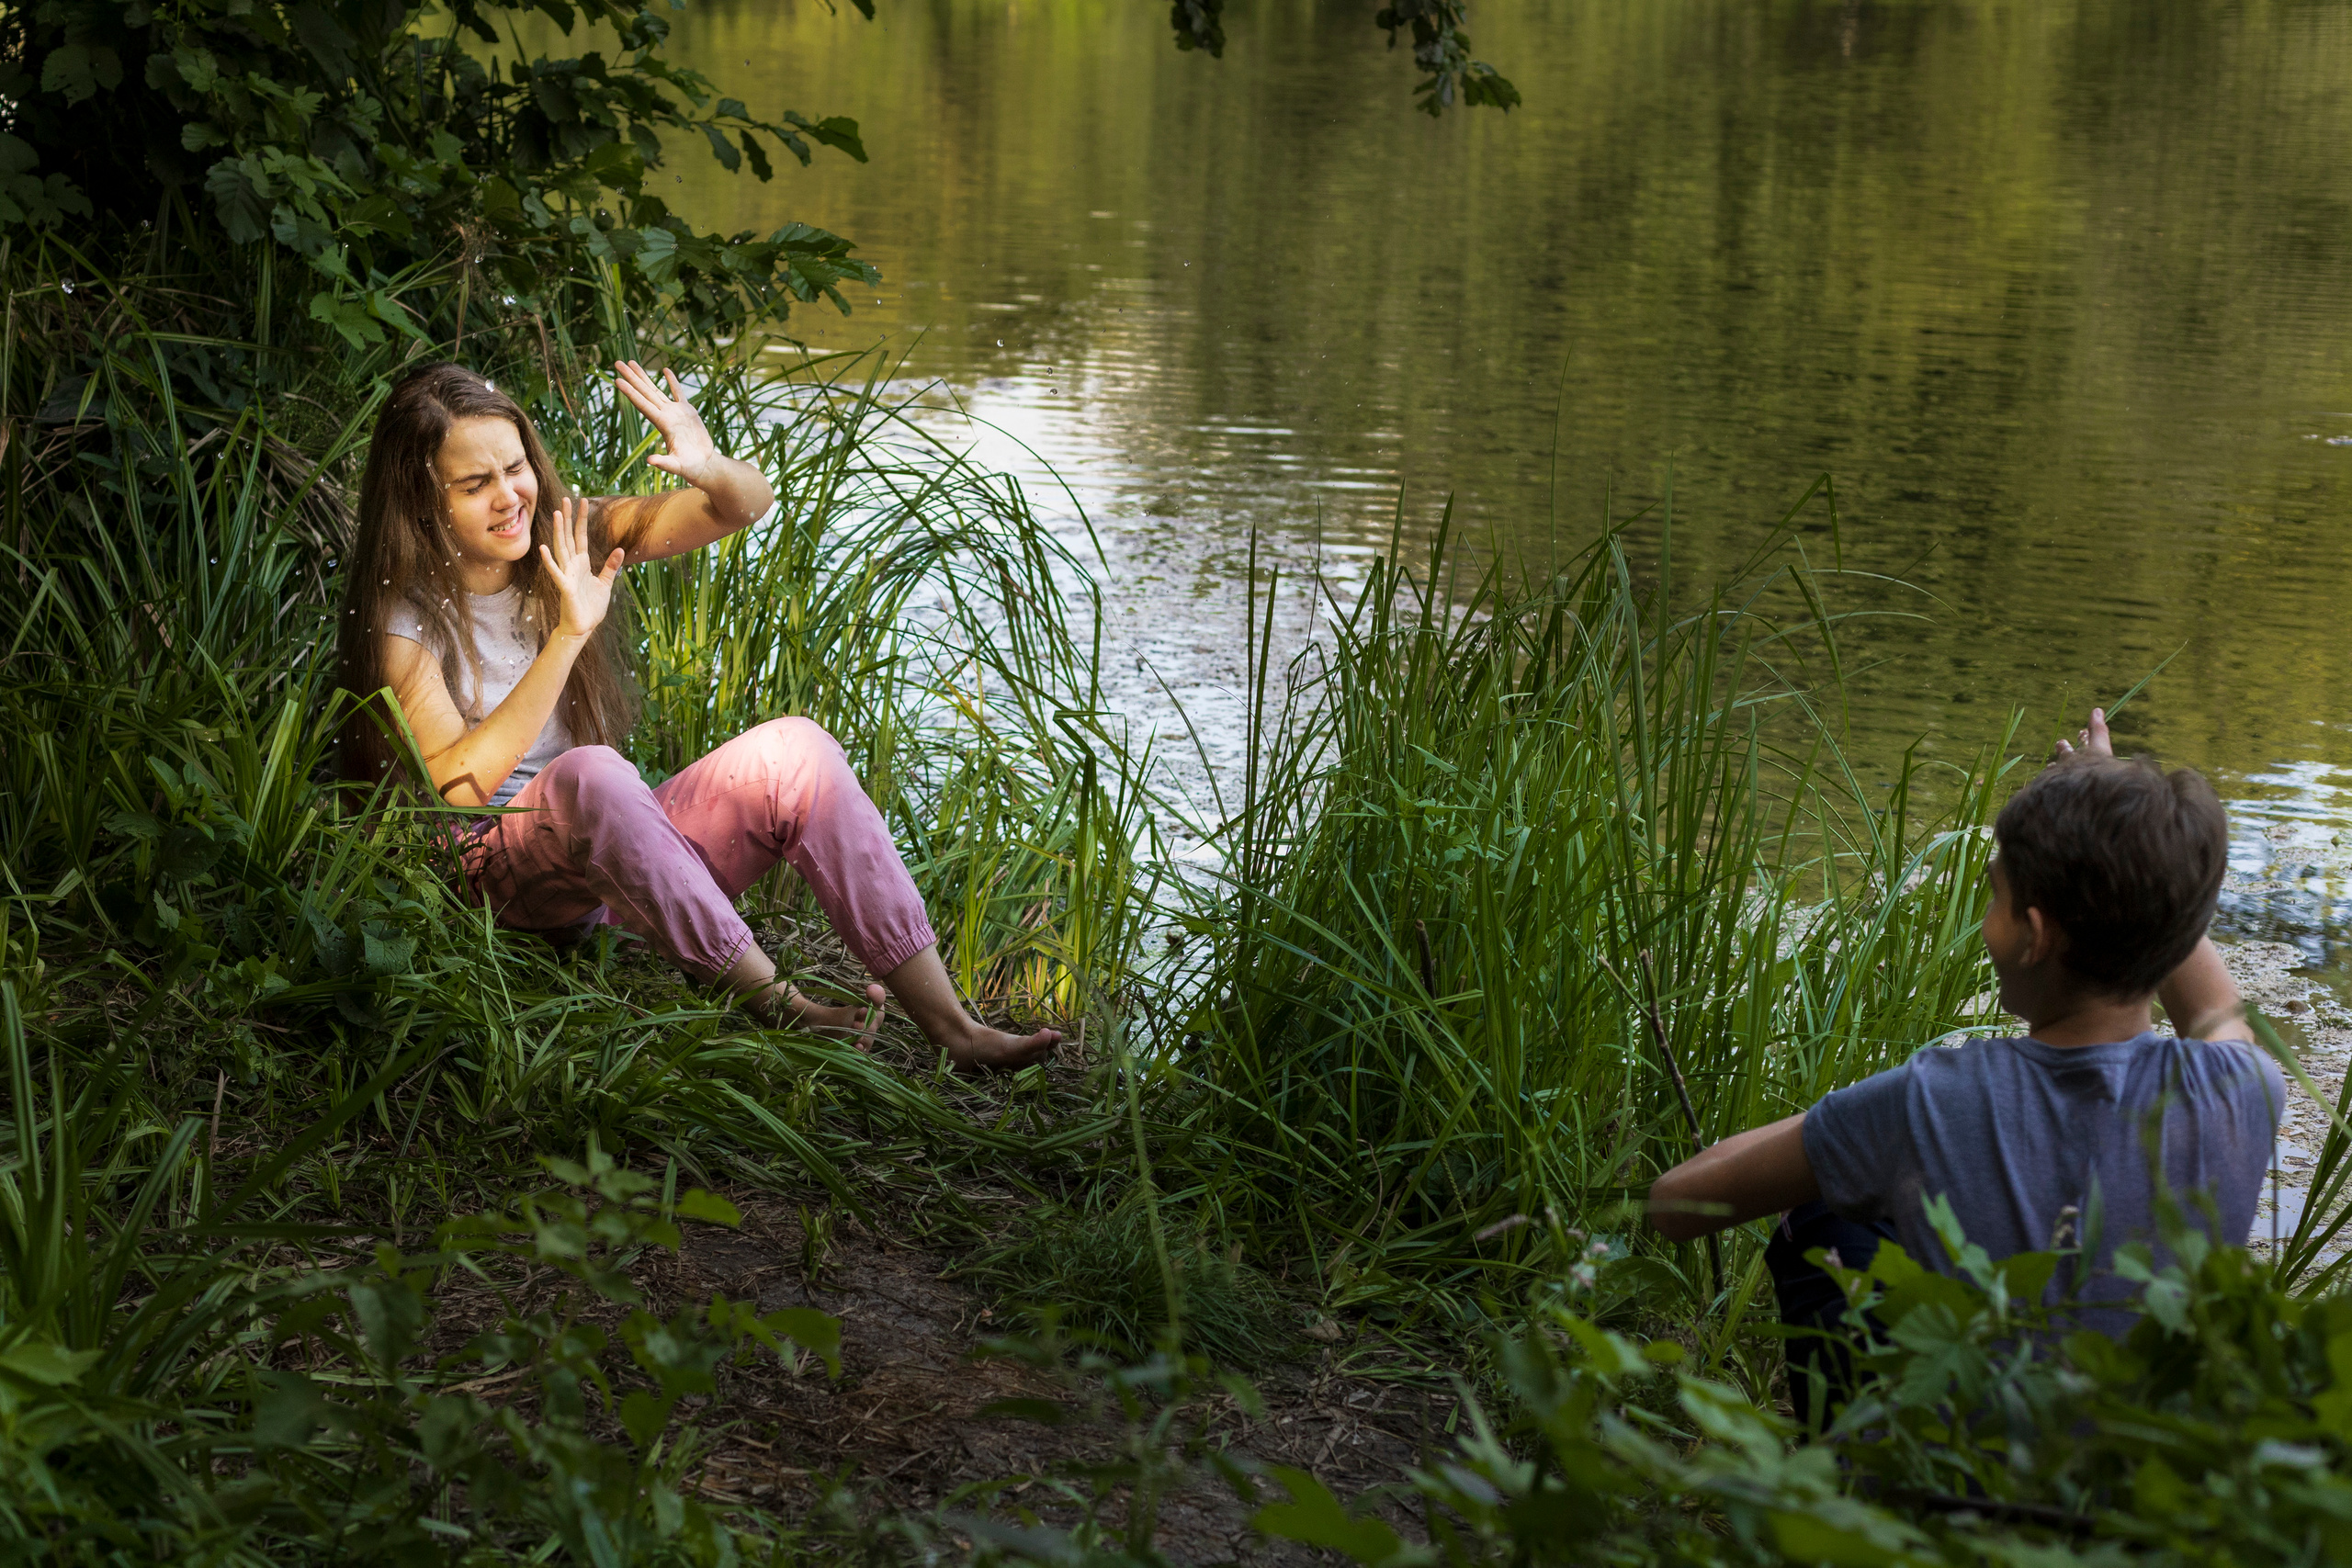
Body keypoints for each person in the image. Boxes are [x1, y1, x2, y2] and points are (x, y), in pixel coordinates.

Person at [334, 359, 1058, 1069]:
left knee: (797, 751)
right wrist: (569, 635)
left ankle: (953, 1029)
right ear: (423, 500)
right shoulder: (407, 624)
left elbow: (743, 504)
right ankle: (778, 1007)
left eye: (514, 467)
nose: (510, 496)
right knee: (591, 773)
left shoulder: (572, 535)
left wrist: (708, 463)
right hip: (492, 881)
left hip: (606, 861)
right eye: (475, 483)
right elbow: (454, 792)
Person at [1647, 708, 2282, 1416]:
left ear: (2034, 936)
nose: (1986, 917)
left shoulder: (1933, 1099)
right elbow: (2215, 1012)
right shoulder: (2240, 1090)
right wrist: (2139, 858)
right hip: (2141, 1496)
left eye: (1996, 894)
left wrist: (1846, 1129)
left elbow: (1677, 1202)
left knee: (1826, 1210)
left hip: (1951, 1494)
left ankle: (1854, 1475)